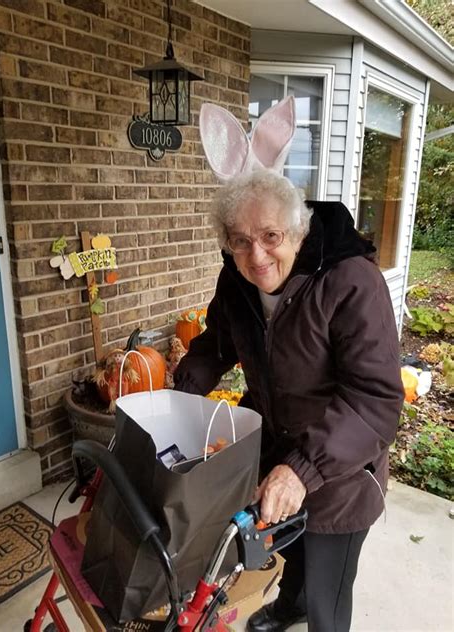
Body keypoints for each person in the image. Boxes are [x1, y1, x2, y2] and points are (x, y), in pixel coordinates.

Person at [173, 99, 404, 632]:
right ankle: (290, 603)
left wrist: (303, 470)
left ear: (298, 232)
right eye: (241, 242)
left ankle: (316, 614)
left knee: (328, 586)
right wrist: (179, 392)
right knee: (289, 553)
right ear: (228, 244)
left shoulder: (351, 282)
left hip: (340, 469)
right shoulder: (237, 280)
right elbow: (218, 342)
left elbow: (375, 400)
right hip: (274, 445)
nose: (257, 257)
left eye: (271, 237)